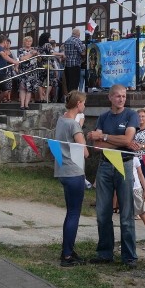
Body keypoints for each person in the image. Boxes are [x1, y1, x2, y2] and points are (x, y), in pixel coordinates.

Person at [85, 84, 139, 267]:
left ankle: (129, 256)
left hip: (124, 165)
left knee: (126, 213)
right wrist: (121, 141)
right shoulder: (103, 117)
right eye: (117, 96)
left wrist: (106, 137)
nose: (121, 99)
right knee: (103, 212)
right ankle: (104, 253)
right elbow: (97, 147)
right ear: (110, 97)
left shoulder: (131, 115)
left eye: (124, 96)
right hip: (105, 166)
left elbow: (128, 140)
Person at [54, 90, 89, 267]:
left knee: (70, 213)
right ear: (78, 104)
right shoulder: (74, 126)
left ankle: (68, 249)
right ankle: (67, 255)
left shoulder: (61, 120)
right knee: (74, 214)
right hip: (74, 172)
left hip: (62, 171)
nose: (85, 106)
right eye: (84, 103)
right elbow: (85, 151)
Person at [37, 32, 65, 103]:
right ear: (47, 38)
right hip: (48, 65)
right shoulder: (48, 44)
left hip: (41, 65)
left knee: (40, 81)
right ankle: (46, 97)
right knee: (51, 81)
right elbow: (52, 52)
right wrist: (61, 54)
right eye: (49, 37)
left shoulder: (39, 46)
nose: (50, 39)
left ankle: (41, 98)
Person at [0, 35, 19, 102]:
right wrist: (14, 61)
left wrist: (14, 63)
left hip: (2, 72)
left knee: (0, 90)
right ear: (4, 41)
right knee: (4, 90)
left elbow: (6, 57)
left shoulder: (0, 49)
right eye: (6, 42)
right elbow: (5, 56)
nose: (7, 43)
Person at [17, 35, 41, 107]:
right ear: (24, 42)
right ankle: (22, 105)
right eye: (27, 41)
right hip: (23, 71)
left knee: (29, 89)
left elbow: (39, 59)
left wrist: (37, 54)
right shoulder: (21, 50)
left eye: (30, 41)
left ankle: (26, 105)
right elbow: (22, 59)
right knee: (22, 88)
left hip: (32, 72)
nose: (28, 42)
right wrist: (31, 54)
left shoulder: (34, 49)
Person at [63, 29, 86, 94]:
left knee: (69, 84)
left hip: (67, 65)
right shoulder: (77, 40)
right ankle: (73, 100)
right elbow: (82, 53)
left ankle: (69, 99)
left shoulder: (67, 41)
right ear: (78, 34)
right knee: (74, 84)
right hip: (75, 64)